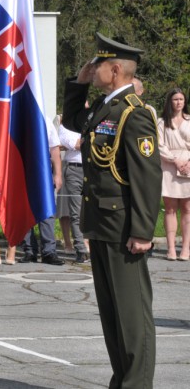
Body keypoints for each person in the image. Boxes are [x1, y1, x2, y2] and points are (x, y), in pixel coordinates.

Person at [62, 32, 161, 388]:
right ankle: (122, 379)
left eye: (98, 64)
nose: (93, 67)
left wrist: (142, 231)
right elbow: (74, 120)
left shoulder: (134, 114)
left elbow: (147, 178)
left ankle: (137, 383)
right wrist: (78, 81)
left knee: (132, 315)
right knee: (112, 314)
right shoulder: (106, 108)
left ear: (115, 69)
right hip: (102, 223)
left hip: (124, 228)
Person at [20, 118, 65, 265]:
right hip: (22, 168)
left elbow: (54, 149)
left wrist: (57, 174)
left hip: (43, 170)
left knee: (47, 212)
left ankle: (49, 252)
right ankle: (29, 250)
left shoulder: (44, 120)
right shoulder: (18, 116)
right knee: (25, 211)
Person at [157, 87, 190, 261]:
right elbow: (159, 145)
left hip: (188, 165)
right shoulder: (162, 122)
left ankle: (185, 248)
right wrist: (174, 160)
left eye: (181, 99)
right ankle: (171, 248)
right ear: (170, 101)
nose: (179, 102)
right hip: (169, 166)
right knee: (170, 208)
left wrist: (187, 162)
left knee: (187, 208)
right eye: (176, 99)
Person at [58, 118, 90, 262]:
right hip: (74, 170)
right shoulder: (65, 125)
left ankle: (93, 245)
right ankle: (81, 249)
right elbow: (77, 145)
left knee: (93, 211)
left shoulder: (92, 122)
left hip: (92, 169)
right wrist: (90, 141)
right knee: (75, 212)